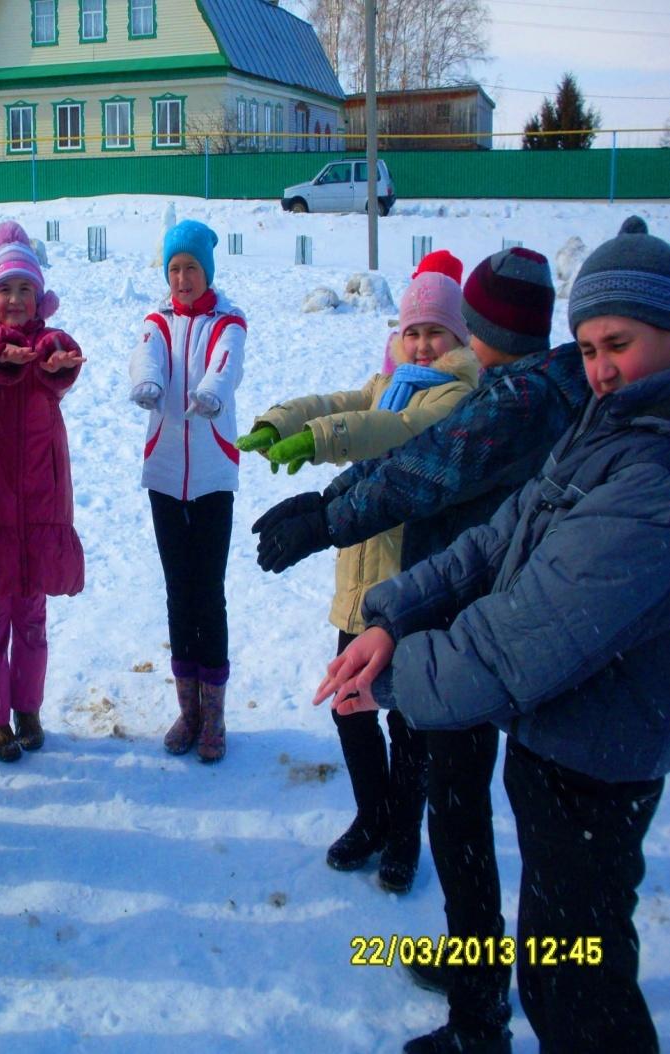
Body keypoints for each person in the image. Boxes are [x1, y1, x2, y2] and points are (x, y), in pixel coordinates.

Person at [315, 216, 670, 1054]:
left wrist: (394, 665)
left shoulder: (643, 467)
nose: (601, 367)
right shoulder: (602, 418)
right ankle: (477, 987)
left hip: (587, 749)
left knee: (576, 985)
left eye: (616, 343)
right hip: (558, 737)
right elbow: (505, 531)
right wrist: (396, 611)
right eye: (588, 347)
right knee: (558, 957)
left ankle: (478, 1003)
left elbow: (521, 633)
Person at [251, 246, 588, 1054]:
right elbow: (399, 449)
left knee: (462, 811)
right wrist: (327, 500)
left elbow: (417, 466)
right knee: (465, 806)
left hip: (468, 628)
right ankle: (478, 969)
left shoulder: (509, 399)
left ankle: (481, 1012)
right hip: (472, 618)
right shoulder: (545, 383)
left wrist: (322, 519)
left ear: (476, 327)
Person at [237, 256, 478, 892]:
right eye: (412, 331)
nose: (422, 343)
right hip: (359, 590)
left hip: (409, 591)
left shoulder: (453, 399)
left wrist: (320, 441)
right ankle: (372, 816)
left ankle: (404, 834)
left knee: (406, 721)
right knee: (349, 708)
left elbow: (390, 431)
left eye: (436, 332)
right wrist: (284, 419)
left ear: (457, 340)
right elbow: (347, 401)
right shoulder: (388, 381)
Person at [0, 220, 86, 762]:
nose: (15, 299)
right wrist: (2, 353)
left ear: (40, 297)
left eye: (25, 289)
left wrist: (56, 356)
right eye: (5, 289)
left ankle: (27, 705)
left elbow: (62, 351)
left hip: (41, 498)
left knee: (32, 613)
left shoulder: (48, 343)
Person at [129, 219, 246, 762]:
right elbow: (147, 355)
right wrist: (147, 385)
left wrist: (210, 394)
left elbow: (227, 366)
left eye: (191, 268)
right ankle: (189, 709)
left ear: (207, 271)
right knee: (179, 592)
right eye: (174, 268)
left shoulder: (229, 320)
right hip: (164, 474)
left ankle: (216, 713)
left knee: (209, 593)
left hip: (212, 478)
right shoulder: (157, 319)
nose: (181, 278)